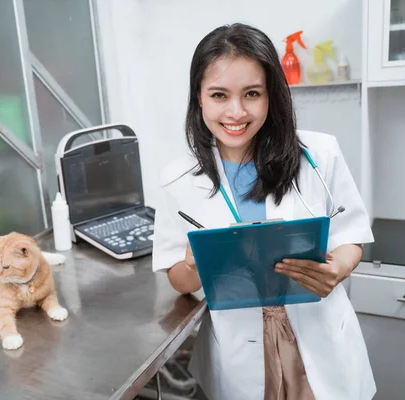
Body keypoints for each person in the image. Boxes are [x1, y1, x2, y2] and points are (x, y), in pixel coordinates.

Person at [152, 23, 375, 400]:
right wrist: (193, 265)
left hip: (320, 337)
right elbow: (178, 278)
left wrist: (337, 269)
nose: (236, 112)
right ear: (199, 98)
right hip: (240, 351)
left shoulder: (318, 155)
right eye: (219, 94)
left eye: (252, 94)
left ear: (271, 95)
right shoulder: (178, 180)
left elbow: (351, 235)